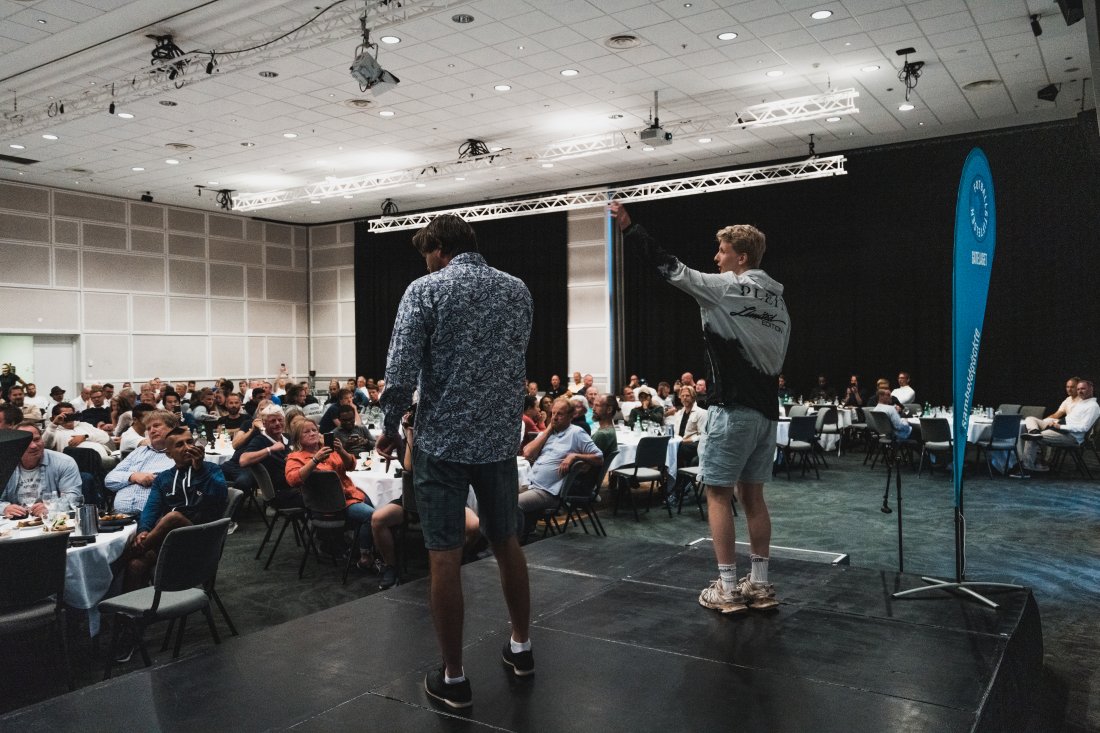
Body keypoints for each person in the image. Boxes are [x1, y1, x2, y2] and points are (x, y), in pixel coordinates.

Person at [377, 213, 534, 709]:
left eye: (427, 252)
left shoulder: (425, 290)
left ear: (439, 248)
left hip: (442, 443)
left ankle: (454, 677)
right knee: (506, 540)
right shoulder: (517, 289)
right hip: (497, 440)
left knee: (444, 554)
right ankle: (522, 647)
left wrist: (387, 427)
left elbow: (400, 370)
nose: (426, 261)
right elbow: (516, 360)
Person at [612, 200, 788, 616]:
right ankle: (760, 586)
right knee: (755, 498)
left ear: (740, 258)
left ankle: (727, 588)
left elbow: (670, 268)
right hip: (767, 414)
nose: (716, 257)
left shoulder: (725, 287)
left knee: (718, 495)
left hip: (732, 411)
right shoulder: (779, 301)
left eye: (722, 251)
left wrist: (630, 229)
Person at [122, 427, 228, 591]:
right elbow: (151, 508)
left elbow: (220, 498)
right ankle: (132, 614)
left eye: (189, 442)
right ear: (169, 454)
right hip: (168, 543)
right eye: (179, 445)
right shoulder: (164, 478)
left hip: (202, 538)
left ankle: (130, 552)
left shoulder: (211, 470)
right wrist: (144, 530)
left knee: (174, 517)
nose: (187, 447)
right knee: (135, 565)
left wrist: (200, 470)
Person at [284, 419, 375, 568]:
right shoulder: (296, 457)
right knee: (371, 516)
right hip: (329, 504)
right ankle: (365, 555)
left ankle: (357, 548)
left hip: (350, 495)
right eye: (306, 432)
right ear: (298, 438)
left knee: (374, 506)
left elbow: (351, 466)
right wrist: (315, 460)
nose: (312, 433)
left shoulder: (329, 449)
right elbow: (293, 480)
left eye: (314, 430)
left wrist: (341, 451)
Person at [519, 397, 603, 535]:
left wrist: (575, 456)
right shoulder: (550, 433)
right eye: (553, 413)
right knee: (498, 496)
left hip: (547, 491)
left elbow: (599, 457)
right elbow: (527, 453)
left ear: (571, 416)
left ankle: (513, 542)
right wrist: (548, 430)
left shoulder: (576, 433)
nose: (555, 418)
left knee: (512, 504)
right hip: (529, 483)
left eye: (560, 414)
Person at [0, 424, 82, 518]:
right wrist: (5, 508)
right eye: (26, 442)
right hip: (15, 524)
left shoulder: (64, 462)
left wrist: (52, 507)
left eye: (36, 439)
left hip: (52, 521)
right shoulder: (4, 465)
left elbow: (73, 497)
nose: (33, 446)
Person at [104, 410, 178, 514]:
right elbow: (109, 480)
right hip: (120, 517)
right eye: (148, 428)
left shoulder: (179, 453)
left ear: (172, 428)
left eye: (156, 426)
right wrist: (133, 477)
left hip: (155, 518)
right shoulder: (139, 451)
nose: (152, 431)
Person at [1022, 379, 1099, 472]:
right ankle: (1034, 435)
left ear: (1091, 389)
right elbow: (1069, 419)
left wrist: (1060, 426)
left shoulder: (1092, 406)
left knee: (1032, 438)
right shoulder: (1082, 403)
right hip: (1063, 430)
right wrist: (1057, 423)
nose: (1080, 391)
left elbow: (1084, 427)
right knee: (1031, 423)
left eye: (1083, 389)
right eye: (1078, 389)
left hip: (1071, 437)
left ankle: (1027, 468)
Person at [590, 393, 619, 458]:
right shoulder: (608, 429)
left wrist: (574, 456)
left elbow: (587, 464)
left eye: (597, 405)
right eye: (593, 405)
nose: (593, 409)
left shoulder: (602, 434)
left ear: (609, 410)